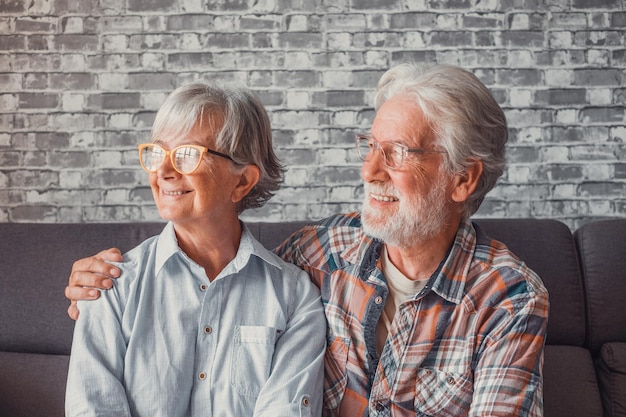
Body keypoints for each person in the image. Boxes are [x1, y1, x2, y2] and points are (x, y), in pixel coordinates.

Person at [65, 64, 549, 416]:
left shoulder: (509, 299)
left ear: (463, 180)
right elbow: (229, 275)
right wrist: (99, 285)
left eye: (397, 153)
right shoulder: (320, 255)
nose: (369, 171)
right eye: (370, 147)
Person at [64, 83, 326, 417]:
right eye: (158, 152)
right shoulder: (110, 285)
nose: (164, 172)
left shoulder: (295, 298)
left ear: (242, 181)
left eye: (188, 154)